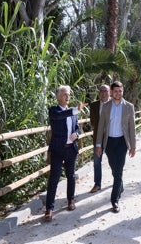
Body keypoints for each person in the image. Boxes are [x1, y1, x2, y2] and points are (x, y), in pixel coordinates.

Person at [44, 85, 86, 221]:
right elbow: (60, 116)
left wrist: (76, 134)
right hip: (57, 150)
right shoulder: (54, 111)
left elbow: (77, 128)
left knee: (71, 176)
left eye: (68, 94)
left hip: (70, 149)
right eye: (64, 94)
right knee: (54, 179)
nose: (67, 97)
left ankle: (71, 200)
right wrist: (76, 110)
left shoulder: (72, 113)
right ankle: (49, 208)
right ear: (58, 96)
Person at [95, 81, 136, 213]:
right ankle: (120, 185)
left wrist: (133, 146)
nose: (118, 93)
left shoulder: (129, 107)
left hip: (122, 142)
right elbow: (101, 127)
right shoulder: (106, 107)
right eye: (116, 91)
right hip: (109, 142)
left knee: (118, 170)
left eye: (120, 91)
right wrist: (98, 144)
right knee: (114, 169)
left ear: (122, 91)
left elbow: (132, 128)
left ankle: (114, 200)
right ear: (111, 92)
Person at [88, 84, 110, 193]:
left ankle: (118, 183)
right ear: (98, 93)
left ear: (110, 92)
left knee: (115, 162)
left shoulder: (114, 104)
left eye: (106, 91)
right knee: (97, 161)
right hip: (98, 138)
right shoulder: (94, 105)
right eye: (102, 91)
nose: (104, 93)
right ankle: (97, 184)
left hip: (112, 138)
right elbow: (92, 122)